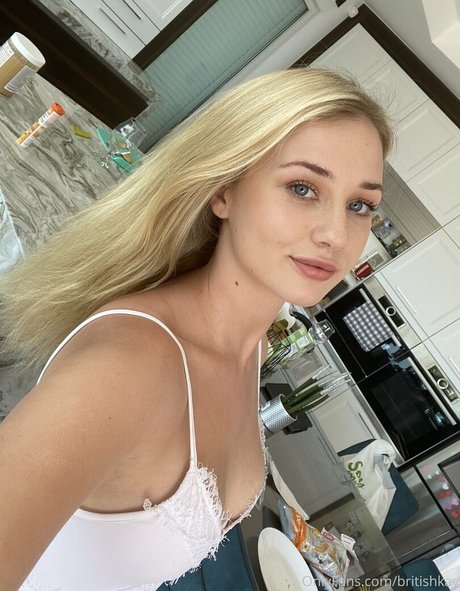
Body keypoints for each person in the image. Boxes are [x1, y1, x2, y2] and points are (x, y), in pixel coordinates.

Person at [0, 67, 393, 591]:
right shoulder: (129, 366)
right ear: (224, 191)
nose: (336, 234)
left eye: (360, 205)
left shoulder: (251, 348)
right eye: (302, 188)